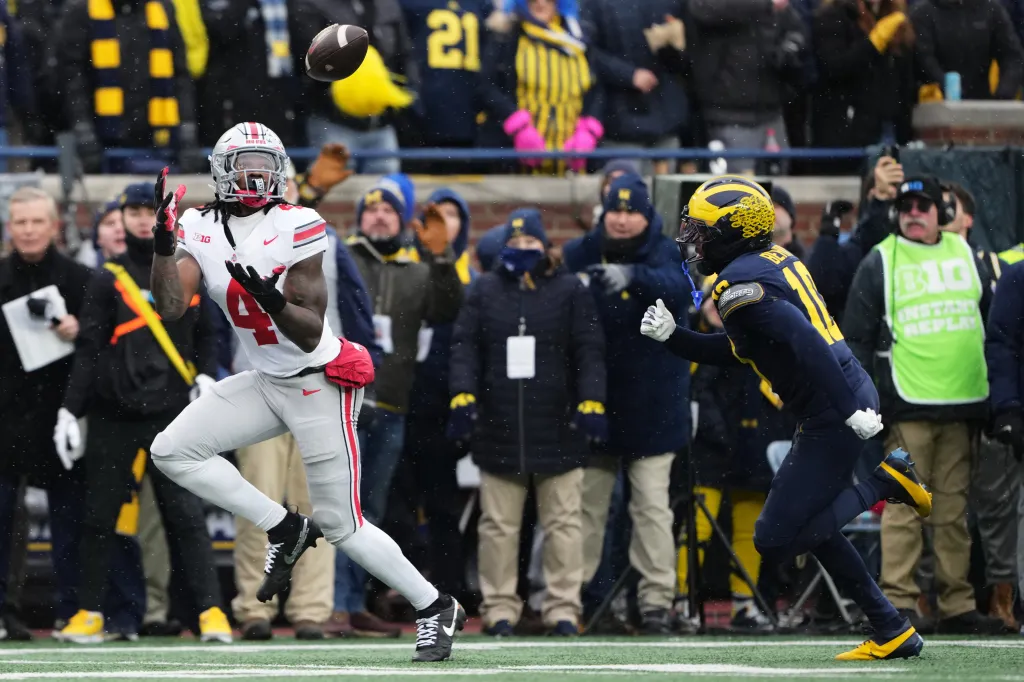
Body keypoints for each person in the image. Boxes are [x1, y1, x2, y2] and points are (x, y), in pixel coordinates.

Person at [142, 121, 464, 662]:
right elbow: (171, 307)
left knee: (343, 525)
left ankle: (434, 606)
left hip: (317, 381)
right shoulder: (197, 225)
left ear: (281, 171)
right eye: (245, 164)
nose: (255, 175)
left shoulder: (300, 223)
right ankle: (285, 527)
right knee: (171, 451)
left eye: (265, 166)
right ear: (222, 170)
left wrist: (270, 301)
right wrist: (161, 244)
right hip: (266, 379)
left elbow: (312, 328)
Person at [639, 175, 933, 661]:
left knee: (774, 537)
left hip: (833, 405)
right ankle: (891, 627)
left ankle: (887, 482)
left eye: (702, 231)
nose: (693, 241)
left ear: (734, 232)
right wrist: (676, 338)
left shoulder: (737, 285)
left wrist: (849, 408)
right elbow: (746, 350)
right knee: (811, 525)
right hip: (835, 397)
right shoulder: (772, 261)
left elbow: (803, 340)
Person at [53, 182, 230, 644]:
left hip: (172, 415)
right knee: (98, 517)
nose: (138, 218)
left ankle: (211, 612)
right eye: (132, 210)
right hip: (113, 415)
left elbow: (209, 335)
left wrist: (207, 376)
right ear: (123, 217)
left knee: (186, 517)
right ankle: (89, 612)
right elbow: (89, 352)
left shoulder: (187, 266)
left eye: (147, 209)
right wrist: (69, 412)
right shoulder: (105, 277)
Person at [844, 177, 1007, 636]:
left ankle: (956, 604)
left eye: (924, 205)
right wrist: (866, 397)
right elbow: (854, 336)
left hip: (963, 402)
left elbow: (992, 331)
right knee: (903, 507)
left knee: (953, 511)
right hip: (907, 402)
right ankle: (898, 601)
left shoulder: (970, 258)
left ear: (942, 212)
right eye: (906, 205)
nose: (914, 212)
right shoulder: (880, 259)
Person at [448, 209, 606, 636]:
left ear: (545, 246)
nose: (522, 251)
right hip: (499, 427)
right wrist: (462, 393)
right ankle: (499, 606)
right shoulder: (485, 290)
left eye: (530, 244)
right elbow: (465, 346)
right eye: (514, 245)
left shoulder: (570, 289)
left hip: (559, 426)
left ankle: (562, 607)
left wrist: (592, 400)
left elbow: (589, 348)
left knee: (564, 524)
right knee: (498, 526)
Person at [335, 179, 463, 638]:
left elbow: (449, 308)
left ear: (402, 218)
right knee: (337, 507)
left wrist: (442, 256)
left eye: (389, 210)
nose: (379, 216)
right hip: (341, 402)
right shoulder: (341, 256)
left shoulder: (417, 269)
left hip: (392, 404)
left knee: (367, 510)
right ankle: (331, 604)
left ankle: (350, 603)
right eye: (371, 210)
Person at [563, 173, 689, 634]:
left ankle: (656, 600)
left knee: (652, 507)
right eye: (614, 210)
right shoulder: (581, 251)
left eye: (631, 210)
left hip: (655, 406)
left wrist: (632, 277)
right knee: (589, 508)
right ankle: (572, 599)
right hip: (595, 404)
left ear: (646, 214)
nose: (621, 219)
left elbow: (680, 291)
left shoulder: (665, 251)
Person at [0, 188, 93, 640]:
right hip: (4, 416)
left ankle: (72, 611)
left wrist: (80, 331)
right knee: (1, 518)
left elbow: (102, 348)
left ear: (55, 226)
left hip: (63, 416)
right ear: (9, 226)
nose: (29, 230)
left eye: (37, 221)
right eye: (21, 222)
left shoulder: (83, 280)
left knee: (69, 519)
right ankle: (3, 613)